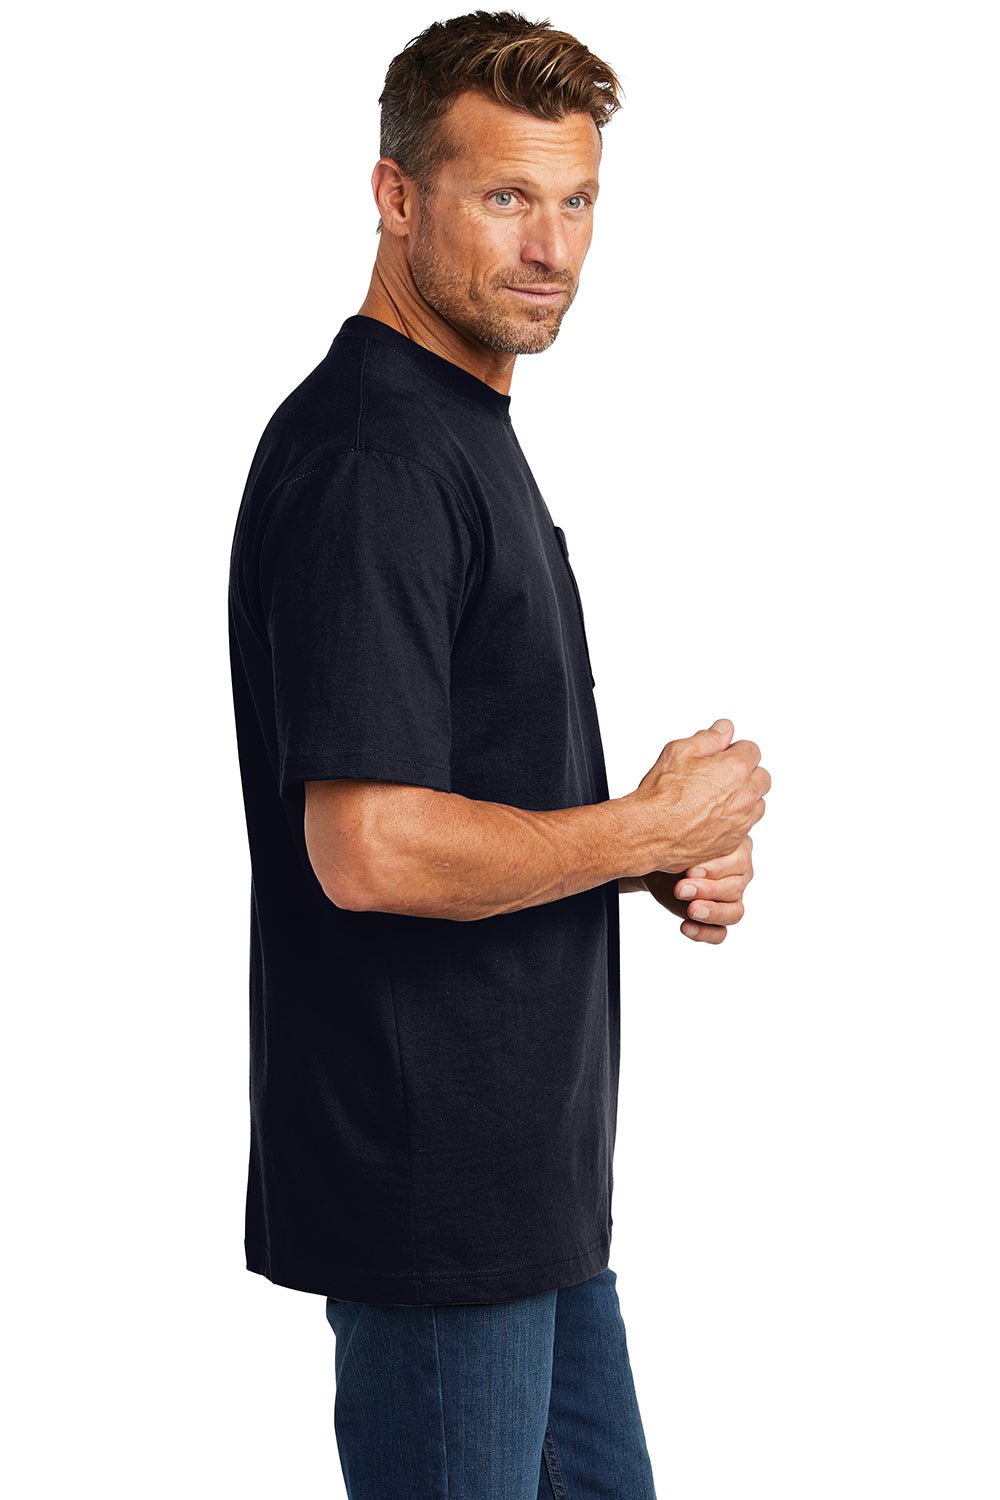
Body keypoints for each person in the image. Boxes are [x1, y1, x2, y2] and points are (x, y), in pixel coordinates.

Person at [227, 11, 770, 1498]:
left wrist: (645, 854)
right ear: (396, 196)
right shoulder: (373, 457)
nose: (551, 247)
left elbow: (464, 793)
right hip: (436, 1201)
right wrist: (647, 828)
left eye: (577, 199)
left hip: (528, 1195)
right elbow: (369, 846)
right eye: (505, 196)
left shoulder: (458, 429)